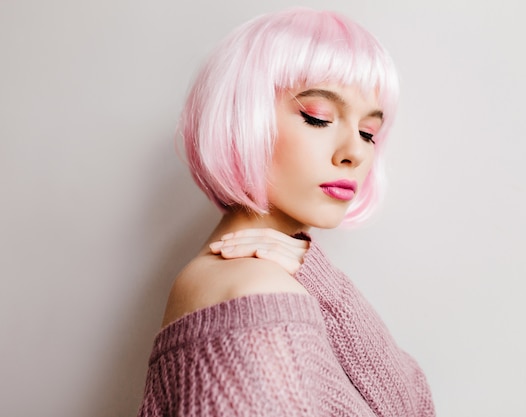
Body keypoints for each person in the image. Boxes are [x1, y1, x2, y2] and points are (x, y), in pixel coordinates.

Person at [137, 8, 435, 417]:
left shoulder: (268, 283)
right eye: (318, 118)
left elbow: (412, 407)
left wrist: (327, 288)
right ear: (243, 117)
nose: (355, 151)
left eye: (369, 132)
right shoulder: (255, 291)